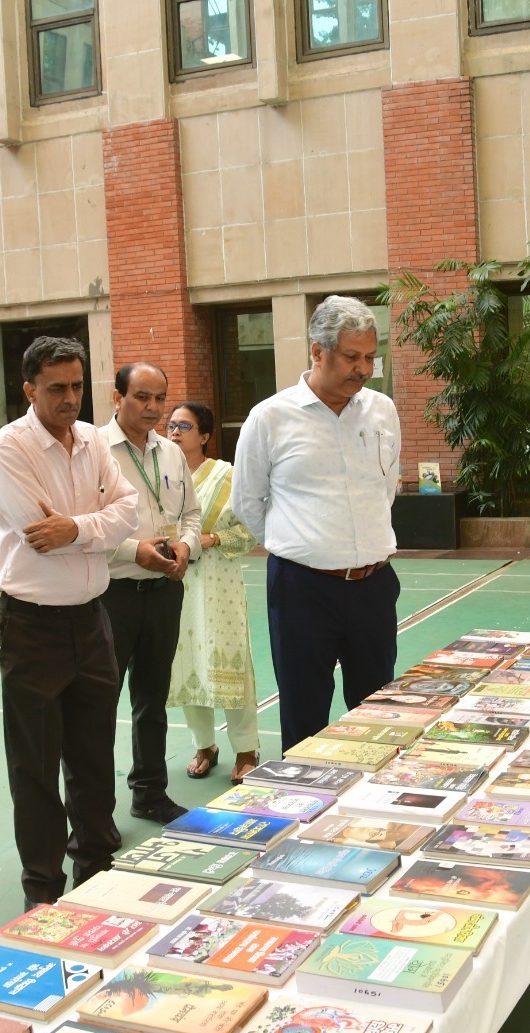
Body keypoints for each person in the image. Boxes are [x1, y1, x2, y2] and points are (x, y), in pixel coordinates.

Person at [0, 336, 139, 909]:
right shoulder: (9, 447)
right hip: (32, 627)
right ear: (29, 389)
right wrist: (96, 526)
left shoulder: (95, 441)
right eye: (57, 389)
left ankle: (96, 875)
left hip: (92, 622)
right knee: (35, 768)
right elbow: (35, 532)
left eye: (77, 386)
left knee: (95, 758)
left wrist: (76, 529)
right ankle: (43, 893)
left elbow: (128, 512)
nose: (70, 398)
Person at [232, 295, 401, 753]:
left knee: (377, 716)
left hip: (374, 586)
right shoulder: (270, 418)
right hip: (302, 591)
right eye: (351, 357)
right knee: (304, 715)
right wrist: (301, 548)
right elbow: (247, 502)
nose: (363, 368)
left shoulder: (382, 410)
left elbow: (385, 489)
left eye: (369, 356)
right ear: (317, 351)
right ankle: (303, 816)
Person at [100, 363, 203, 824]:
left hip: (164, 590)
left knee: (152, 698)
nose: (153, 408)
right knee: (98, 707)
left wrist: (185, 545)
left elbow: (192, 515)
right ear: (116, 397)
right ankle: (95, 811)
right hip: (111, 595)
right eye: (142, 397)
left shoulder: (172, 452)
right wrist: (131, 551)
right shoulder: (94, 451)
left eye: (160, 398)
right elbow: (85, 525)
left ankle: (150, 791)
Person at [164, 401, 262, 784]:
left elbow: (250, 529)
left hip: (218, 583)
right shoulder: (162, 476)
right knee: (185, 662)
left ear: (204, 435)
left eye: (184, 426)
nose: (173, 431)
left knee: (229, 661)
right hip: (175, 581)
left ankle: (246, 748)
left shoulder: (226, 476)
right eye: (170, 425)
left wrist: (213, 537)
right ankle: (204, 745)